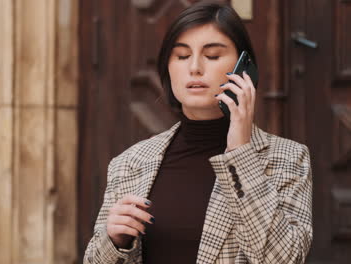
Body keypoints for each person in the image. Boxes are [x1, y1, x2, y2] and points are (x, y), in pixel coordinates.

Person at [83, 1, 313, 263]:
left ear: (243, 67)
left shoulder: (287, 158)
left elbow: (285, 259)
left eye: (212, 56)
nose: (194, 67)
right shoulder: (129, 163)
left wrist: (240, 152)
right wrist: (114, 241)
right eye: (181, 56)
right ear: (167, 69)